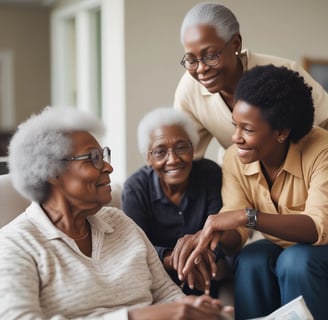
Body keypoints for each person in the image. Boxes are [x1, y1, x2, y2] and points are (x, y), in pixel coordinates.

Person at [0, 106, 234, 320]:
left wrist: (195, 309)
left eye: (104, 155)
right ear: (52, 171)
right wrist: (136, 317)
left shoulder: (119, 222)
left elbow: (166, 293)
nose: (109, 166)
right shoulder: (15, 244)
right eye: (93, 158)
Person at [177, 65, 328, 320]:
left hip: (318, 249)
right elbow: (237, 236)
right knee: (251, 258)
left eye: (247, 129)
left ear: (281, 132)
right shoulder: (234, 159)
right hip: (285, 251)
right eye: (235, 125)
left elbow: (317, 228)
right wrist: (213, 235)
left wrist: (248, 216)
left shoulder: (321, 149)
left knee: (296, 260)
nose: (236, 138)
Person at [174, 2, 328, 161]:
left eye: (211, 56)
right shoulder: (189, 90)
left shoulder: (285, 74)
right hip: (241, 175)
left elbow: (325, 122)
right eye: (191, 59)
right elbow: (183, 156)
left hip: (303, 169)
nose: (200, 69)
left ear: (236, 44)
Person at [122, 107, 229, 298]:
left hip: (204, 273)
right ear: (148, 158)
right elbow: (135, 246)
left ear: (193, 148)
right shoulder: (136, 187)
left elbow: (220, 229)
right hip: (156, 281)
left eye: (181, 147)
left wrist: (201, 256)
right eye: (160, 152)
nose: (172, 160)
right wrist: (174, 259)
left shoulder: (209, 174)